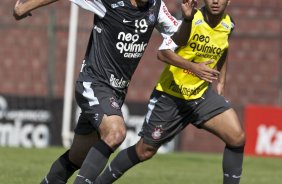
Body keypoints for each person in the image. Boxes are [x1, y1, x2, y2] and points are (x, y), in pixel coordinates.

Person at [13, 0, 213, 184]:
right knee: (116, 133)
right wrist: (24, 7)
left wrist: (187, 19)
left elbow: (179, 39)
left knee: (77, 158)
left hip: (116, 93)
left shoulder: (156, 6)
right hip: (93, 83)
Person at [94, 0, 245, 184]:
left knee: (237, 138)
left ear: (229, 1)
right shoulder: (190, 20)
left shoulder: (228, 24)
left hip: (201, 95)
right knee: (144, 151)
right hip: (171, 97)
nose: (215, 1)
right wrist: (194, 68)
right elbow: (162, 53)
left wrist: (221, 81)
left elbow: (223, 48)